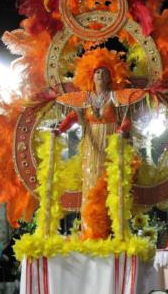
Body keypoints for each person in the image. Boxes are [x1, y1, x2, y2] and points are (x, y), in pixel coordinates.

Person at [56, 48, 131, 239]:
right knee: (90, 184)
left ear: (110, 77)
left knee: (110, 185)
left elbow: (126, 120)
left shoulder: (116, 97)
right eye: (97, 72)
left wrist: (122, 132)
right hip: (91, 146)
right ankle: (89, 233)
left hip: (111, 145)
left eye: (104, 72)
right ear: (92, 76)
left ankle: (111, 232)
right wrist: (59, 130)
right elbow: (72, 117)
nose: (100, 75)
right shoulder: (86, 98)